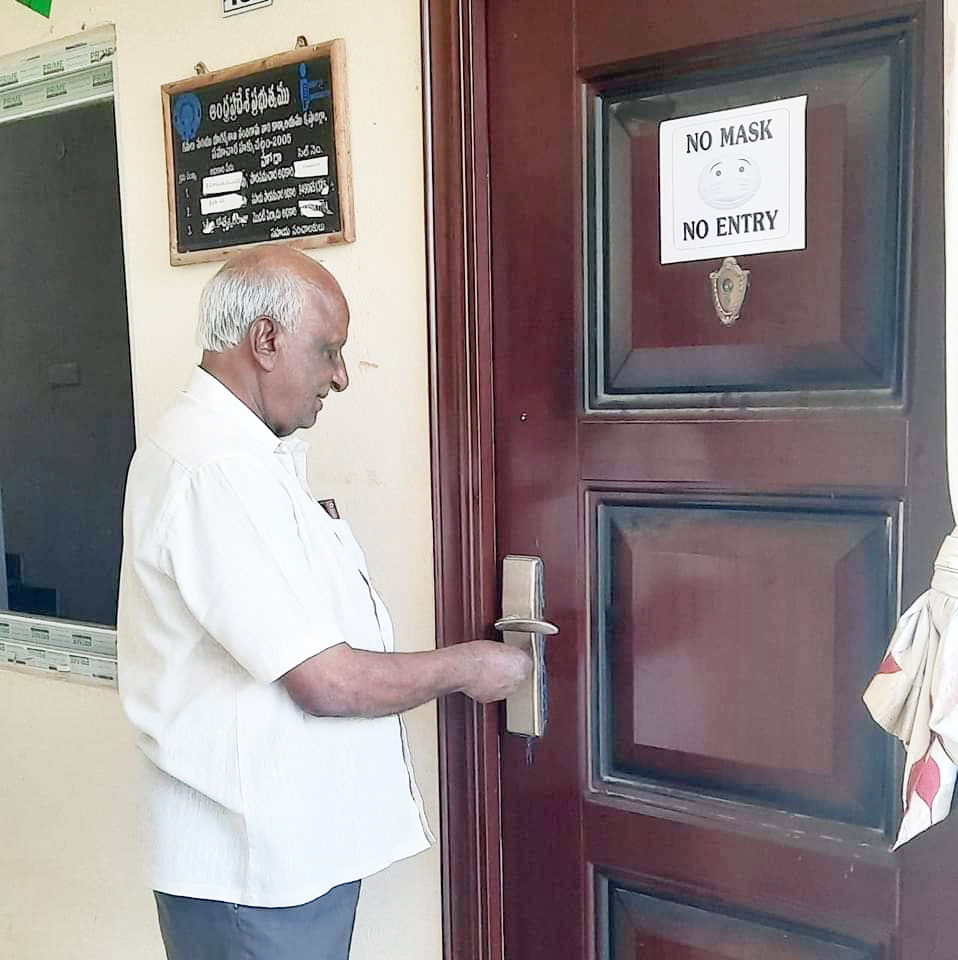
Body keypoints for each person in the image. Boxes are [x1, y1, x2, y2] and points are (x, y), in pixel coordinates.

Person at [117, 245, 530, 960]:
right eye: (328, 350)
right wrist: (471, 666)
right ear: (265, 341)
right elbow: (327, 682)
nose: (340, 375)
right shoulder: (216, 470)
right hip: (252, 877)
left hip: (282, 863)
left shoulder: (242, 459)